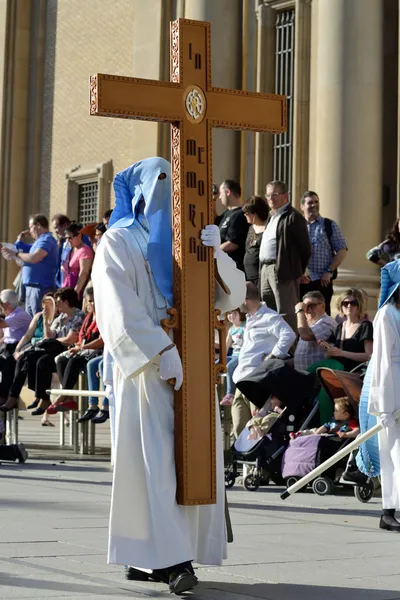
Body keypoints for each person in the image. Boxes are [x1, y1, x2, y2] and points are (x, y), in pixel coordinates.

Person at [91, 157, 246, 594]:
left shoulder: (186, 241)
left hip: (192, 362)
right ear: (138, 192)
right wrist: (160, 350)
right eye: (156, 183)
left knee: (192, 461)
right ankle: (170, 560)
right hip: (148, 369)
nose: (163, 193)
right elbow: (117, 308)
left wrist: (215, 253)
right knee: (156, 464)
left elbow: (229, 295)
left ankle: (158, 556)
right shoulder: (117, 241)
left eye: (169, 183)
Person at [2, 288, 84, 413]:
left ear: (66, 302)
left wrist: (55, 340)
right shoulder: (61, 317)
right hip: (55, 348)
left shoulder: (78, 316)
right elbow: (49, 336)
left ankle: (43, 399)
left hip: (67, 349)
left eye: (58, 302)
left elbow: (70, 339)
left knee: (40, 361)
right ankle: (22, 397)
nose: (57, 305)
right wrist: (46, 322)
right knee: (29, 359)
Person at [230, 282, 296, 438]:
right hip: (241, 380)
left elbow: (289, 335)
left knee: (257, 428)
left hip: (256, 381)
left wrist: (272, 356)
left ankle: (258, 461)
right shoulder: (250, 318)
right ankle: (246, 461)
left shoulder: (269, 317)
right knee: (240, 426)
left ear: (245, 299)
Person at [363, 261, 400, 531]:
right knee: (394, 453)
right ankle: (388, 511)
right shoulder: (387, 314)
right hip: (393, 390)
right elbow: (383, 363)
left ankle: (391, 510)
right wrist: (385, 407)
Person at [307, 288, 373, 424]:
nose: (349, 306)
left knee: (310, 372)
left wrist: (341, 353)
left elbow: (368, 356)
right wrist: (328, 348)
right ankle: (324, 428)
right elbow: (332, 351)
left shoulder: (365, 326)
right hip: (336, 371)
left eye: (353, 303)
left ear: (359, 305)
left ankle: (303, 377)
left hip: (352, 372)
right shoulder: (339, 327)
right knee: (323, 394)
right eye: (345, 303)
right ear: (341, 306)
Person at [259, 181, 311, 331]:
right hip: (265, 269)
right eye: (268, 195)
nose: (270, 198)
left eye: (274, 195)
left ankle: (289, 350)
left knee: (285, 311)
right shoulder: (271, 217)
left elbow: (305, 248)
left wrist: (297, 271)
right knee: (268, 311)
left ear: (285, 196)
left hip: (282, 269)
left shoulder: (293, 217)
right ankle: (275, 347)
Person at [49, 288, 103, 413]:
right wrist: (77, 347)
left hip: (95, 351)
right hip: (83, 349)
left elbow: (101, 341)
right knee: (61, 359)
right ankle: (68, 398)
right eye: (90, 301)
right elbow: (80, 338)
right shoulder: (89, 318)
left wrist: (81, 348)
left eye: (94, 301)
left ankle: (63, 396)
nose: (92, 304)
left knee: (75, 361)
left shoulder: (102, 317)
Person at [299, 191, 348, 314]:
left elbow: (342, 249)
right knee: (302, 317)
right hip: (302, 281)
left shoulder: (329, 225)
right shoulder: (296, 226)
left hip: (323, 281)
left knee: (322, 317)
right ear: (302, 206)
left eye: (316, 202)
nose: (314, 205)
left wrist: (329, 271)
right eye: (310, 202)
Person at [3, 214, 58, 317]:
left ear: (37, 225)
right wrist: (19, 239)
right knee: (31, 321)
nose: (30, 231)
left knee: (39, 320)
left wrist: (16, 254)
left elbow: (34, 257)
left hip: (40, 287)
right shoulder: (38, 242)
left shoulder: (46, 239)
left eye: (30, 227)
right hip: (31, 287)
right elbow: (20, 248)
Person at [0, 290, 31, 403]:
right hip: (7, 347)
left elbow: (2, 324)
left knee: (7, 365)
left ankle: (3, 397)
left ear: (6, 304)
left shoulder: (20, 315)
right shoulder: (10, 316)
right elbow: (6, 337)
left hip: (18, 348)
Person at [294, 291, 337, 371]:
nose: (307, 310)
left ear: (323, 306)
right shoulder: (308, 325)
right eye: (305, 307)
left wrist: (300, 311)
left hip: (317, 376)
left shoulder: (326, 322)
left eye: (312, 306)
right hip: (304, 375)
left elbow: (305, 335)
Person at [217, 179, 249, 271]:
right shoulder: (226, 213)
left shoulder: (240, 214)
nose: (219, 197)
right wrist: (212, 200)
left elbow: (233, 243)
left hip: (233, 267)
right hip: (222, 265)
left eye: (221, 193)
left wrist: (212, 253)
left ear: (228, 192)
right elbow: (214, 222)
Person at [220, 308, 246, 406]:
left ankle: (230, 394)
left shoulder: (245, 326)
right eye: (229, 313)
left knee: (229, 366)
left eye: (235, 313)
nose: (232, 315)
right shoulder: (231, 329)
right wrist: (222, 359)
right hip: (234, 355)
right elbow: (226, 346)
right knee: (217, 364)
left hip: (242, 355)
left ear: (240, 314)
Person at [242, 195, 269, 289]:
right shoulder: (250, 228)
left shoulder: (268, 228)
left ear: (255, 213)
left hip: (261, 276)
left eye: (247, 213)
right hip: (248, 275)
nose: (245, 215)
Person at [61, 223, 94, 299]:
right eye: (66, 238)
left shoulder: (85, 250)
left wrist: (76, 292)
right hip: (67, 288)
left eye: (70, 237)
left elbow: (84, 273)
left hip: (77, 293)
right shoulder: (71, 249)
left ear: (79, 236)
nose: (68, 240)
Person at [52, 213, 71, 287]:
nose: (55, 231)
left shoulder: (79, 240)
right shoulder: (61, 242)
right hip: (60, 283)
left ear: (65, 225)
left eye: (56, 227)